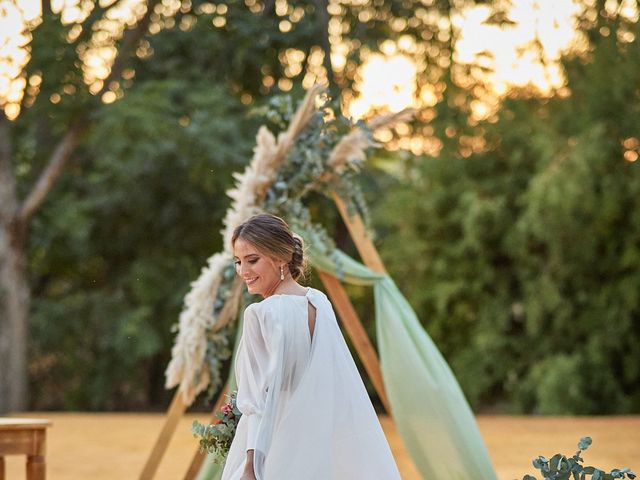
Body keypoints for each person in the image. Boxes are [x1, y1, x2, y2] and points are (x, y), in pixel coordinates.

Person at [220, 213, 401, 480]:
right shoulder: (318, 303)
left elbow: (259, 402)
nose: (243, 272)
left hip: (275, 447)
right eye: (238, 262)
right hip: (318, 445)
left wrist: (250, 468)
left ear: (280, 257)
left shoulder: (261, 314)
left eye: (252, 260)